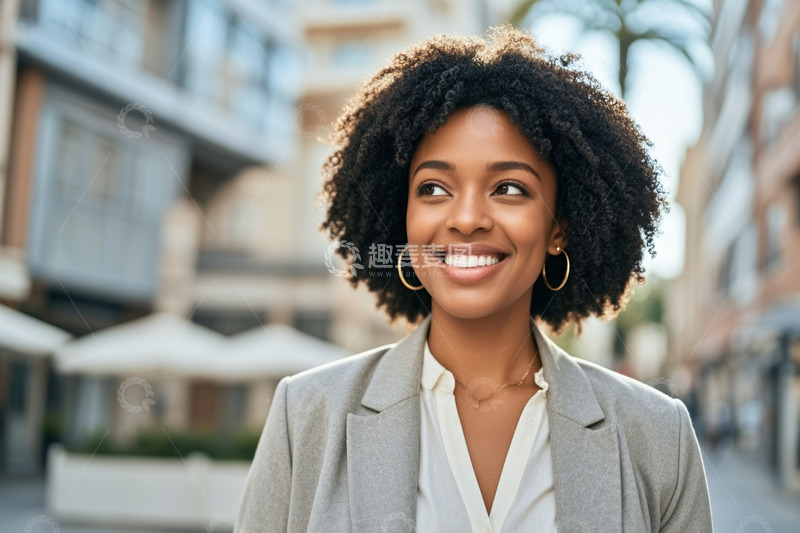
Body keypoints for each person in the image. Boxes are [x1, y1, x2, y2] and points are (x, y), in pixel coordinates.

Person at [236, 24, 713, 532]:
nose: (466, 218)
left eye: (508, 188)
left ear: (559, 228)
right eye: (434, 188)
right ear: (403, 219)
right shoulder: (306, 415)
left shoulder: (659, 437)